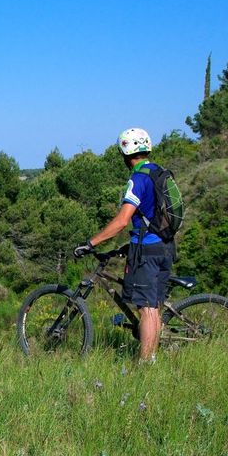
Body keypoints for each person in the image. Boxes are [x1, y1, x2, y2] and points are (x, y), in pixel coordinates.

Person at [73, 127, 174, 362]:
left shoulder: (138, 179)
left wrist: (91, 242)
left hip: (147, 249)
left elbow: (121, 220)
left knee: (146, 307)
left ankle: (146, 363)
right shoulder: (158, 171)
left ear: (125, 153)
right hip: (165, 245)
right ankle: (152, 355)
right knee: (155, 305)